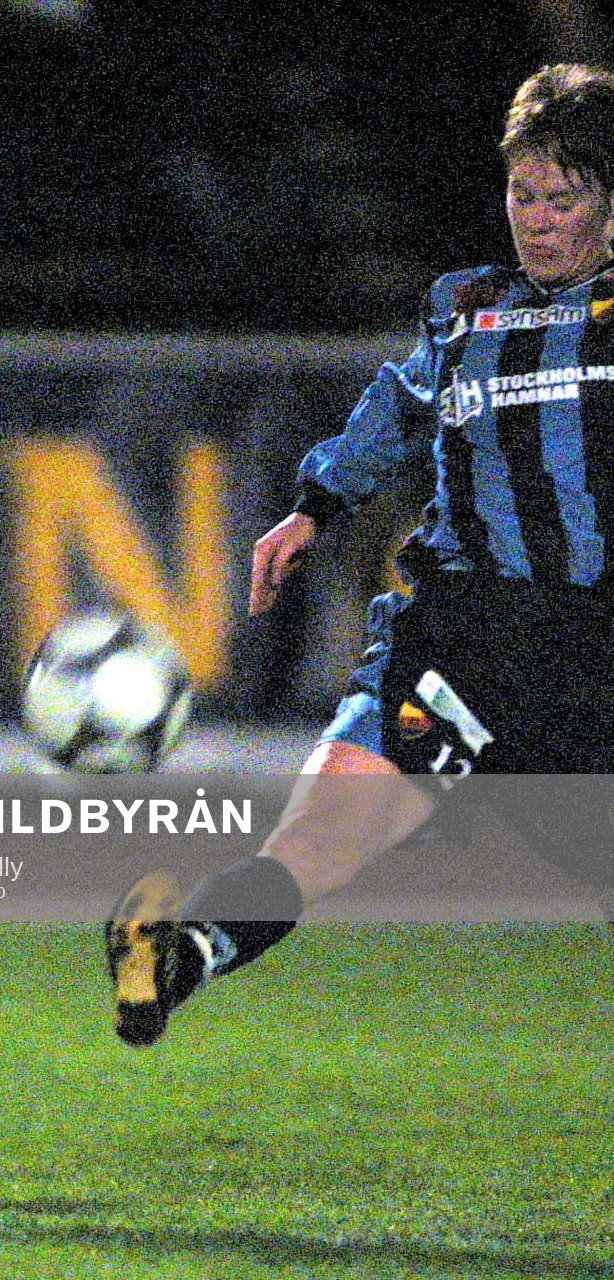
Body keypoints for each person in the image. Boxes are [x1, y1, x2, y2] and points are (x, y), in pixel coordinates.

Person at [106, 63, 614, 1048]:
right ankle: (171, 954)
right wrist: (313, 506)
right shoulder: (466, 305)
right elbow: (399, 399)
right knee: (314, 843)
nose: (538, 219)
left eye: (565, 197)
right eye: (522, 194)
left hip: (588, 660)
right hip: (457, 640)